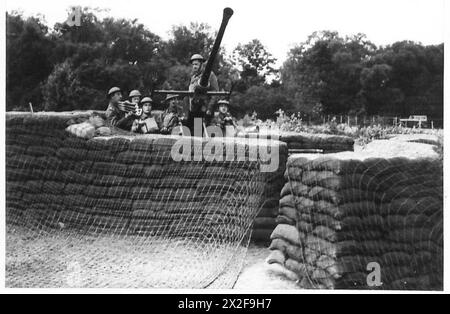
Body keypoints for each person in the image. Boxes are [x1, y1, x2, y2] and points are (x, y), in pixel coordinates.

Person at [186, 54, 220, 131]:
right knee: (189, 131)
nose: (194, 66)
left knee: (200, 132)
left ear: (201, 64)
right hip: (193, 109)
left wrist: (209, 108)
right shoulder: (193, 77)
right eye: (193, 64)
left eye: (196, 64)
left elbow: (215, 93)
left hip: (203, 109)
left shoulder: (210, 75)